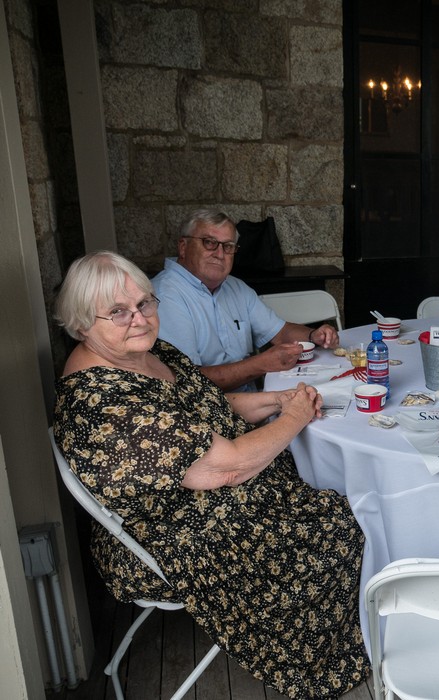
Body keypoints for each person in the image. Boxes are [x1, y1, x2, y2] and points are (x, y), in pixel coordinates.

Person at [53, 252, 368, 699]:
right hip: (170, 535)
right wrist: (294, 418)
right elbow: (226, 467)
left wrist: (277, 405)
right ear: (83, 323)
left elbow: (209, 409)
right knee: (343, 526)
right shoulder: (104, 402)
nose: (139, 319)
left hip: (207, 497)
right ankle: (324, 658)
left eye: (145, 303)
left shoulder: (143, 352)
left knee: (337, 492)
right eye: (119, 312)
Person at [152, 209, 340, 392]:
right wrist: (260, 364)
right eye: (209, 242)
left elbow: (280, 332)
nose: (219, 254)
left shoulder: (235, 287)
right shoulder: (165, 296)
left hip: (250, 399)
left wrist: (313, 335)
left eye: (228, 247)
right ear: (183, 247)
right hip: (203, 410)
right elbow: (187, 381)